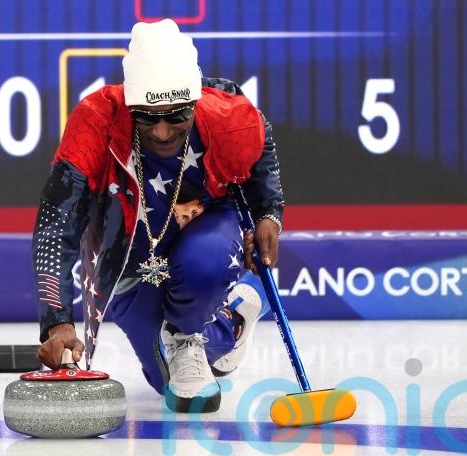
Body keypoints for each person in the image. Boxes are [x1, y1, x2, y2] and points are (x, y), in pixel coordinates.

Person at [34, 19, 284, 413]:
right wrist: (57, 321)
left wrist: (269, 215)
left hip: (203, 226)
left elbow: (261, 147)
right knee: (162, 378)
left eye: (177, 115)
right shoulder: (95, 121)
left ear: (195, 102)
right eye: (147, 116)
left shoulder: (228, 117)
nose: (163, 132)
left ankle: (189, 331)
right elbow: (56, 224)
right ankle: (233, 319)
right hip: (128, 254)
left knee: (203, 272)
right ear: (130, 103)